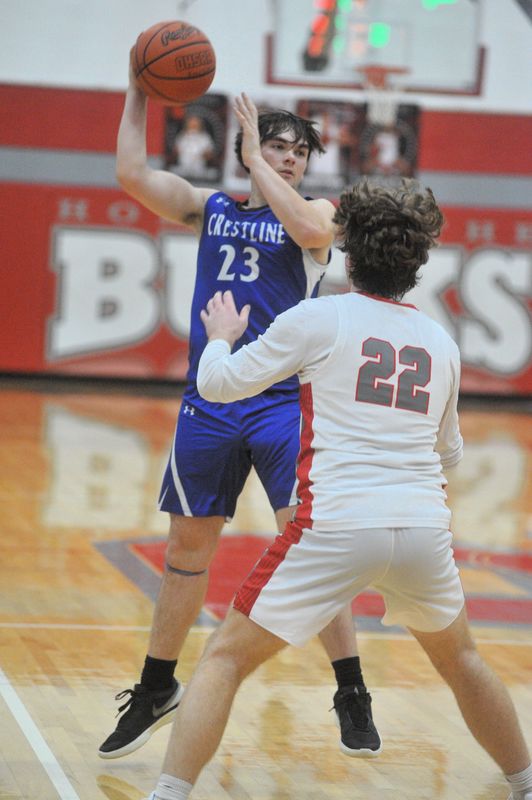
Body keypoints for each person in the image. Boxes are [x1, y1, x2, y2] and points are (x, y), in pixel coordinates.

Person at [142, 178, 532, 800]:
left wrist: (220, 335)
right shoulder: (443, 344)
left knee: (223, 660)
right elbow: (450, 451)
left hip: (336, 523)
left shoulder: (317, 318)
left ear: (347, 252)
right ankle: (525, 781)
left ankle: (168, 792)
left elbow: (219, 385)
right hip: (423, 530)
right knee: (463, 662)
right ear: (418, 263)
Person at [98, 72, 380, 760]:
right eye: (275, 145)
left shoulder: (318, 214)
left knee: (314, 550)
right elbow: (132, 173)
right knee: (187, 556)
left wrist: (256, 161)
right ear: (248, 149)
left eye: (297, 151)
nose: (287, 156)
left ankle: (351, 690)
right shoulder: (212, 208)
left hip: (285, 406)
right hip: (212, 403)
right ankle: (156, 685)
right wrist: (140, 88)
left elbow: (312, 228)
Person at [173, 114, 215, 179]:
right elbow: (177, 150)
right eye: (191, 124)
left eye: (195, 124)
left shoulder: (205, 138)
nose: (193, 126)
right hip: (183, 168)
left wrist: (204, 154)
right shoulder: (182, 136)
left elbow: (209, 154)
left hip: (199, 168)